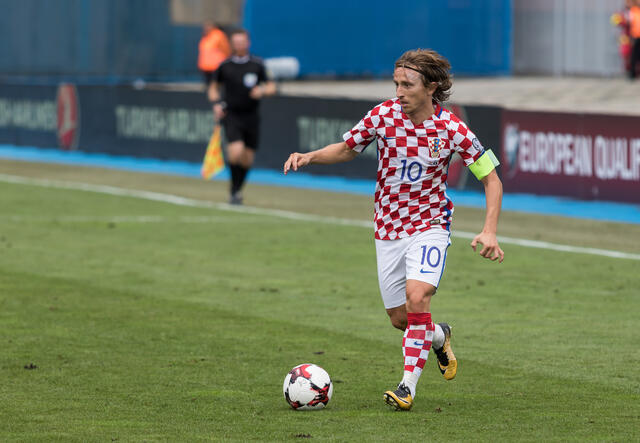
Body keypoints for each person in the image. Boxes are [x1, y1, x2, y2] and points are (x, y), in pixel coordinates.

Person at [283, 49, 504, 411]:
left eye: (407, 84)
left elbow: (491, 179)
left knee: (418, 298)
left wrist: (489, 230)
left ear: (431, 87)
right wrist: (311, 156)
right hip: (388, 228)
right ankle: (438, 336)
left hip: (430, 225)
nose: (399, 92)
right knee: (401, 319)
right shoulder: (383, 115)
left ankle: (406, 388)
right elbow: (348, 148)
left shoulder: (452, 129)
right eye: (396, 83)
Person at [208, 29, 276, 204]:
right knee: (236, 150)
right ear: (232, 44)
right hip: (232, 115)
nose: (239, 45)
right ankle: (234, 189)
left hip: (251, 116)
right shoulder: (225, 66)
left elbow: (271, 87)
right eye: (236, 42)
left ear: (248, 43)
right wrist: (216, 104)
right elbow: (213, 88)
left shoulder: (257, 64)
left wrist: (261, 91)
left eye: (242, 42)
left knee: (247, 158)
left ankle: (236, 190)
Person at [198, 21, 231, 86]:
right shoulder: (206, 36)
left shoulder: (218, 35)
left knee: (216, 87)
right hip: (206, 68)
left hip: (216, 67)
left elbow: (226, 49)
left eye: (208, 26)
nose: (206, 28)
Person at [629, 0, 640, 79]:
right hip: (635, 36)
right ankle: (632, 74)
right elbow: (630, 23)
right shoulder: (633, 10)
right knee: (634, 55)